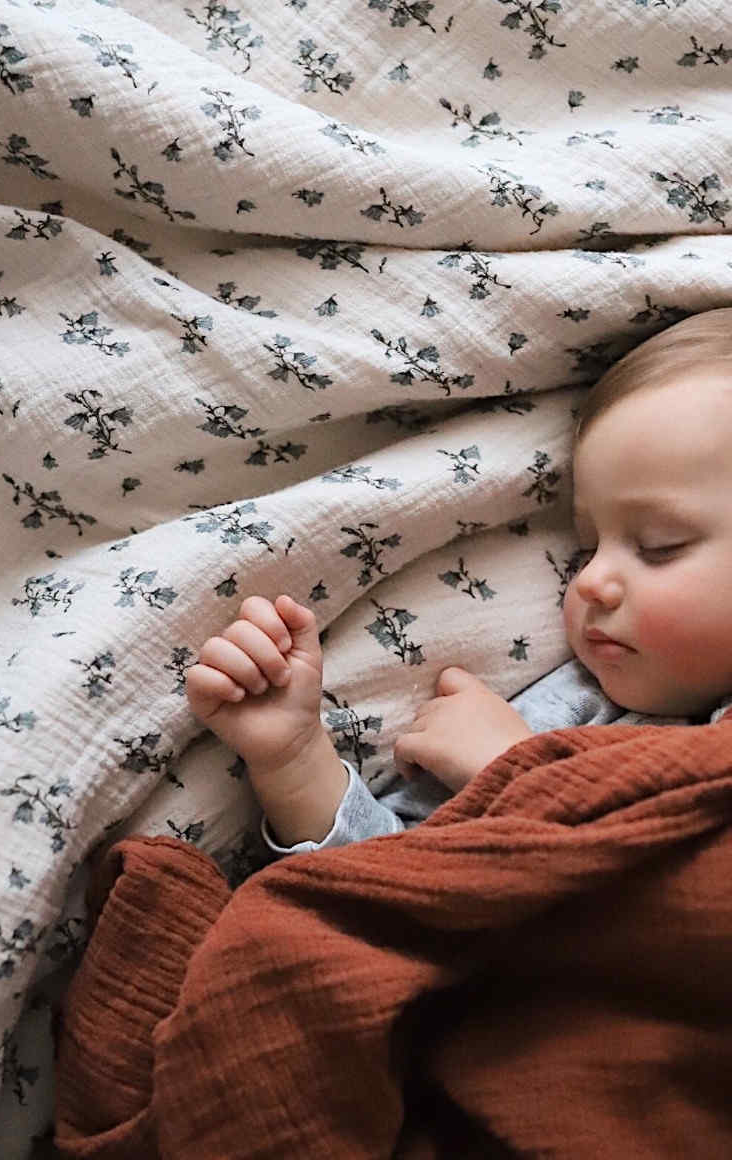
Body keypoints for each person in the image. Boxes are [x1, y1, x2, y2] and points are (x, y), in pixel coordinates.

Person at [186, 308, 732, 851]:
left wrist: (521, 776)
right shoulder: (576, 709)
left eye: (659, 546)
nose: (590, 582)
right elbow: (388, 883)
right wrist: (295, 759)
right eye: (585, 548)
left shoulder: (527, 752)